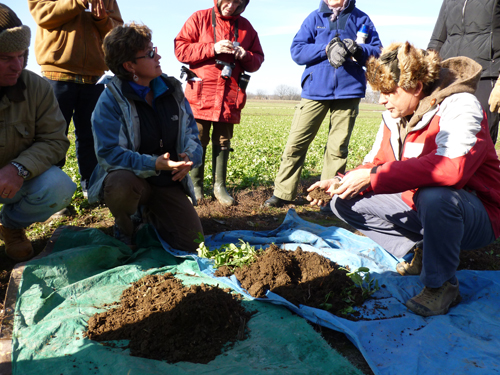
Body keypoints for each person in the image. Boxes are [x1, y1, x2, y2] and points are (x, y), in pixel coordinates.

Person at [307, 42, 500, 317]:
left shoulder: (461, 105)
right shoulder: (393, 116)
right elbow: (375, 163)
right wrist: (342, 181)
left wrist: (373, 177)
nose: (382, 100)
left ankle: (442, 285)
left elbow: (451, 169)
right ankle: (423, 253)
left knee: (435, 196)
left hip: (477, 213)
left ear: (416, 87)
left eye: (388, 92)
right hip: (420, 204)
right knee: (343, 200)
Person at [87, 23, 204, 252]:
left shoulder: (173, 90)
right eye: (150, 53)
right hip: (133, 180)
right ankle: (126, 225)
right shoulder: (110, 100)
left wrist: (189, 158)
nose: (158, 56)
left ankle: (150, 217)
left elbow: (191, 132)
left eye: (155, 49)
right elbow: (109, 154)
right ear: (130, 65)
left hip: (167, 180)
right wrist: (153, 164)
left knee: (191, 242)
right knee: (120, 185)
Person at [264, 0, 382, 208]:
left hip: (349, 90)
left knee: (338, 148)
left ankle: (327, 198)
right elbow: (297, 51)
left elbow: (377, 52)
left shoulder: (361, 18)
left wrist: (357, 49)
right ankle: (283, 193)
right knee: (296, 143)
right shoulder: (314, 18)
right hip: (315, 89)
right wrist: (326, 49)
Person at [0, 4, 77, 261]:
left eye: (21, 56)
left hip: (13, 181)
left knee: (59, 187)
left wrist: (18, 168)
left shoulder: (37, 88)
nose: (17, 65)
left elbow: (55, 140)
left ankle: (10, 226)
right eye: (6, 58)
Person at [28, 0, 123, 198]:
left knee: (92, 136)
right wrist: (78, 2)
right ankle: (49, 194)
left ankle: (93, 188)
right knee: (50, 136)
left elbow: (117, 33)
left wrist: (102, 19)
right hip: (56, 76)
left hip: (94, 77)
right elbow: (42, 15)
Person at [174, 0, 264, 206]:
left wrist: (246, 55)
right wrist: (212, 48)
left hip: (230, 94)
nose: (231, 6)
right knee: (198, 139)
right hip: (201, 93)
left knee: (223, 140)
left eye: (238, 3)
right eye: (228, 0)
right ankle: (195, 186)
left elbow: (258, 59)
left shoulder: (246, 27)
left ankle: (219, 187)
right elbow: (180, 49)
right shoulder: (199, 18)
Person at [428, 0, 500, 145]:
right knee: (440, 140)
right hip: (449, 79)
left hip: (485, 76)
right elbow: (437, 40)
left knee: (477, 142)